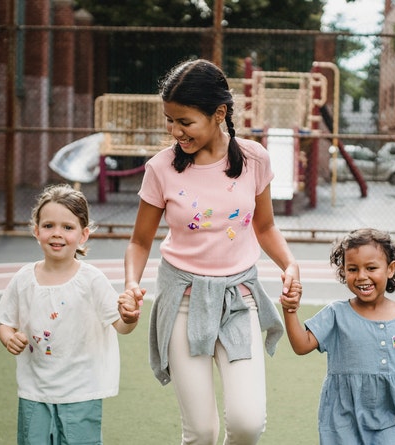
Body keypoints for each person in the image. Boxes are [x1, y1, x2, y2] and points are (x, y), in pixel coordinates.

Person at [120, 58, 301, 445]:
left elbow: (265, 226)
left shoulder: (255, 159)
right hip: (183, 298)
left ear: (219, 114)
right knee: (201, 432)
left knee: (247, 423)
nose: (175, 131)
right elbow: (139, 241)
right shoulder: (161, 168)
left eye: (185, 121)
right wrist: (131, 284)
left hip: (239, 298)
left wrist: (289, 264)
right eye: (170, 120)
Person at [0, 184, 142, 445]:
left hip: (81, 392)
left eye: (67, 227)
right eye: (49, 225)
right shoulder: (23, 279)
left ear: (83, 234)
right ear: (36, 230)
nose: (57, 234)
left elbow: (120, 325)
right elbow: (5, 322)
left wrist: (129, 317)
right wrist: (9, 339)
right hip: (34, 391)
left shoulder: (92, 279)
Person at [281, 228, 395, 445]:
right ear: (344, 271)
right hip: (345, 413)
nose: (362, 276)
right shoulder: (336, 314)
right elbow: (301, 345)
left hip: (392, 411)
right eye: (352, 269)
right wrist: (290, 310)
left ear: (391, 269)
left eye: (371, 268)